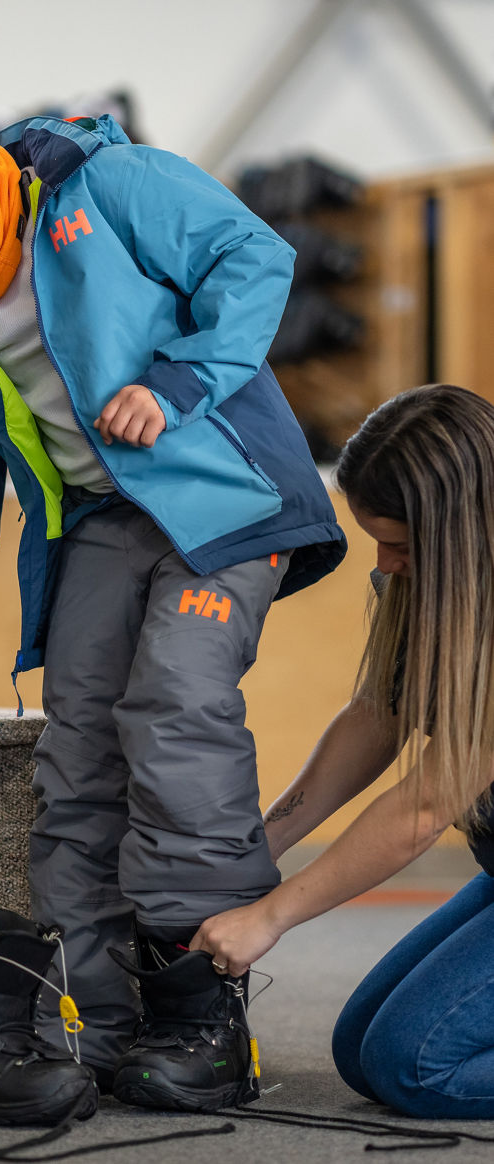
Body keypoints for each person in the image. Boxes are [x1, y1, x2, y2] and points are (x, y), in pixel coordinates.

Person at [0, 66, 345, 1117]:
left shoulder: (114, 185)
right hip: (101, 521)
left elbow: (255, 255)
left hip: (221, 501)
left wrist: (181, 380)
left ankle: (204, 1011)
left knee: (176, 706)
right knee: (79, 741)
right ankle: (101, 1023)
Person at [192, 383, 494, 1121]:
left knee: (412, 1066)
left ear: (461, 532)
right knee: (360, 1048)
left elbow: (425, 806)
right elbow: (376, 716)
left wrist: (268, 918)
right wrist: (264, 844)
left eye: (400, 545)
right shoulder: (435, 584)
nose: (386, 565)